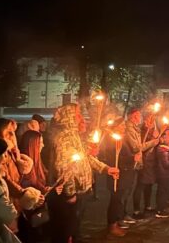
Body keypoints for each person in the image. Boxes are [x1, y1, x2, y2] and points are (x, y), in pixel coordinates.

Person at [45, 103, 120, 243]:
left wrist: (105, 168)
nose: (81, 117)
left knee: (74, 226)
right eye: (78, 114)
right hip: (71, 194)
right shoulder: (64, 137)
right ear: (70, 117)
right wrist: (70, 192)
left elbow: (84, 157)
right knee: (65, 230)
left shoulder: (74, 135)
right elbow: (62, 166)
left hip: (80, 191)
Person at [0, 118, 35, 210]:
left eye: (13, 132)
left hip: (13, 197)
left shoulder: (11, 151)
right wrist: (22, 193)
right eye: (9, 132)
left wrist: (16, 153)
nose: (12, 135)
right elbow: (5, 177)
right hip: (4, 199)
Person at [101, 119, 135, 236]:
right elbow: (114, 159)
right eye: (122, 125)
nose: (124, 127)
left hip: (124, 174)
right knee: (115, 200)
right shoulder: (111, 140)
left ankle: (117, 220)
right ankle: (112, 225)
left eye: (124, 125)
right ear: (115, 127)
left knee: (119, 200)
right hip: (116, 175)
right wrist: (131, 158)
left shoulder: (122, 138)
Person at [18, 130, 51, 242]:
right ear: (33, 145)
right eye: (40, 142)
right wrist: (36, 197)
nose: (43, 145)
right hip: (28, 216)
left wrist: (46, 189)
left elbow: (39, 184)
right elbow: (24, 191)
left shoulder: (38, 162)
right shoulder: (25, 166)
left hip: (37, 213)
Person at [133, 111, 160, 216]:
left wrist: (158, 138)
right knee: (141, 185)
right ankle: (136, 209)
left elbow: (157, 143)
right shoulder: (142, 131)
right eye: (150, 120)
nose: (152, 122)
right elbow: (142, 146)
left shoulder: (154, 130)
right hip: (144, 161)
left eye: (153, 120)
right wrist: (152, 139)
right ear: (145, 121)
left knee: (149, 185)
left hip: (152, 162)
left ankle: (147, 206)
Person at [154, 130, 169, 218]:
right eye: (168, 138)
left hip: (165, 174)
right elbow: (166, 164)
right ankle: (160, 209)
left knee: (164, 191)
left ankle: (162, 208)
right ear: (163, 139)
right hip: (164, 174)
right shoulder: (163, 151)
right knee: (163, 192)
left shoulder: (165, 150)